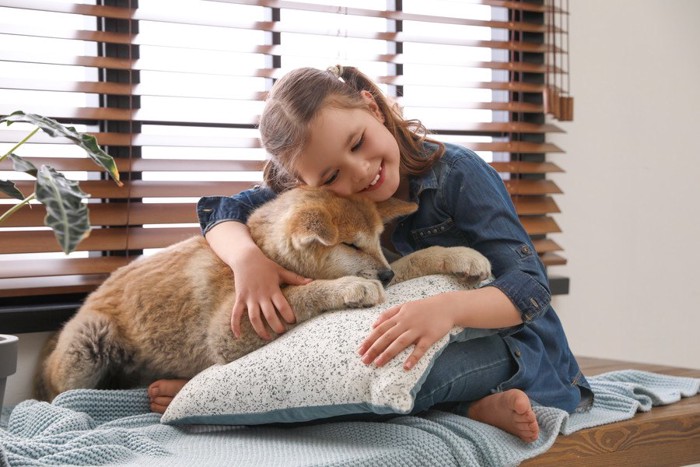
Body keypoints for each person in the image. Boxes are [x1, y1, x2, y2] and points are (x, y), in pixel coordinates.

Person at [148, 65, 592, 442]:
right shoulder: (319, 193)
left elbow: (530, 287)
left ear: (373, 108)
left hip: (510, 344)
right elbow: (219, 209)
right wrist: (246, 259)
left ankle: (471, 404)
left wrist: (449, 310)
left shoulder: (458, 175)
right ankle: (467, 406)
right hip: (405, 340)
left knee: (379, 384)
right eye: (331, 175)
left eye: (358, 142)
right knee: (335, 377)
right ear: (306, 185)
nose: (360, 172)